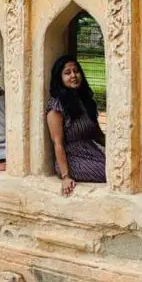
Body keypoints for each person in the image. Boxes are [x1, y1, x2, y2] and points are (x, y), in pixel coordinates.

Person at [46, 55, 106, 196]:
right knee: (110, 173)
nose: (73, 76)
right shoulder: (56, 105)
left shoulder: (84, 100)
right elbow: (58, 143)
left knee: (121, 168)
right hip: (72, 159)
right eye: (67, 73)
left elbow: (98, 135)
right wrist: (66, 177)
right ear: (59, 78)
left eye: (76, 71)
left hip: (91, 152)